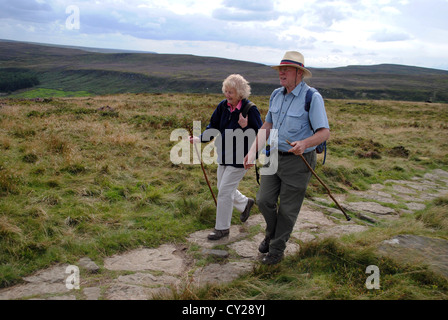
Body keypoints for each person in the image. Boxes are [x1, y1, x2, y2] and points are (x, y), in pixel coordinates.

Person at [244, 51, 330, 265]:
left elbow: (323, 133)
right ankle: (272, 234)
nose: (281, 72)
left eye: (286, 69)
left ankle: (276, 250)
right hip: (273, 156)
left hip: (298, 161)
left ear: (299, 73)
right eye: (279, 69)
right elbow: (267, 126)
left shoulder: (312, 97)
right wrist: (252, 151)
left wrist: (304, 144)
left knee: (288, 209)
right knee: (264, 200)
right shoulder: (276, 94)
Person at [190, 74, 263, 240]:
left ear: (241, 93)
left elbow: (260, 134)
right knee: (223, 188)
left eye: (231, 92)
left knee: (224, 192)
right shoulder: (223, 106)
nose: (227, 95)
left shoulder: (250, 109)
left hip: (240, 158)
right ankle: (245, 203)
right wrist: (199, 138)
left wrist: (246, 127)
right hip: (224, 154)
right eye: (226, 91)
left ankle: (222, 229)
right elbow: (213, 126)